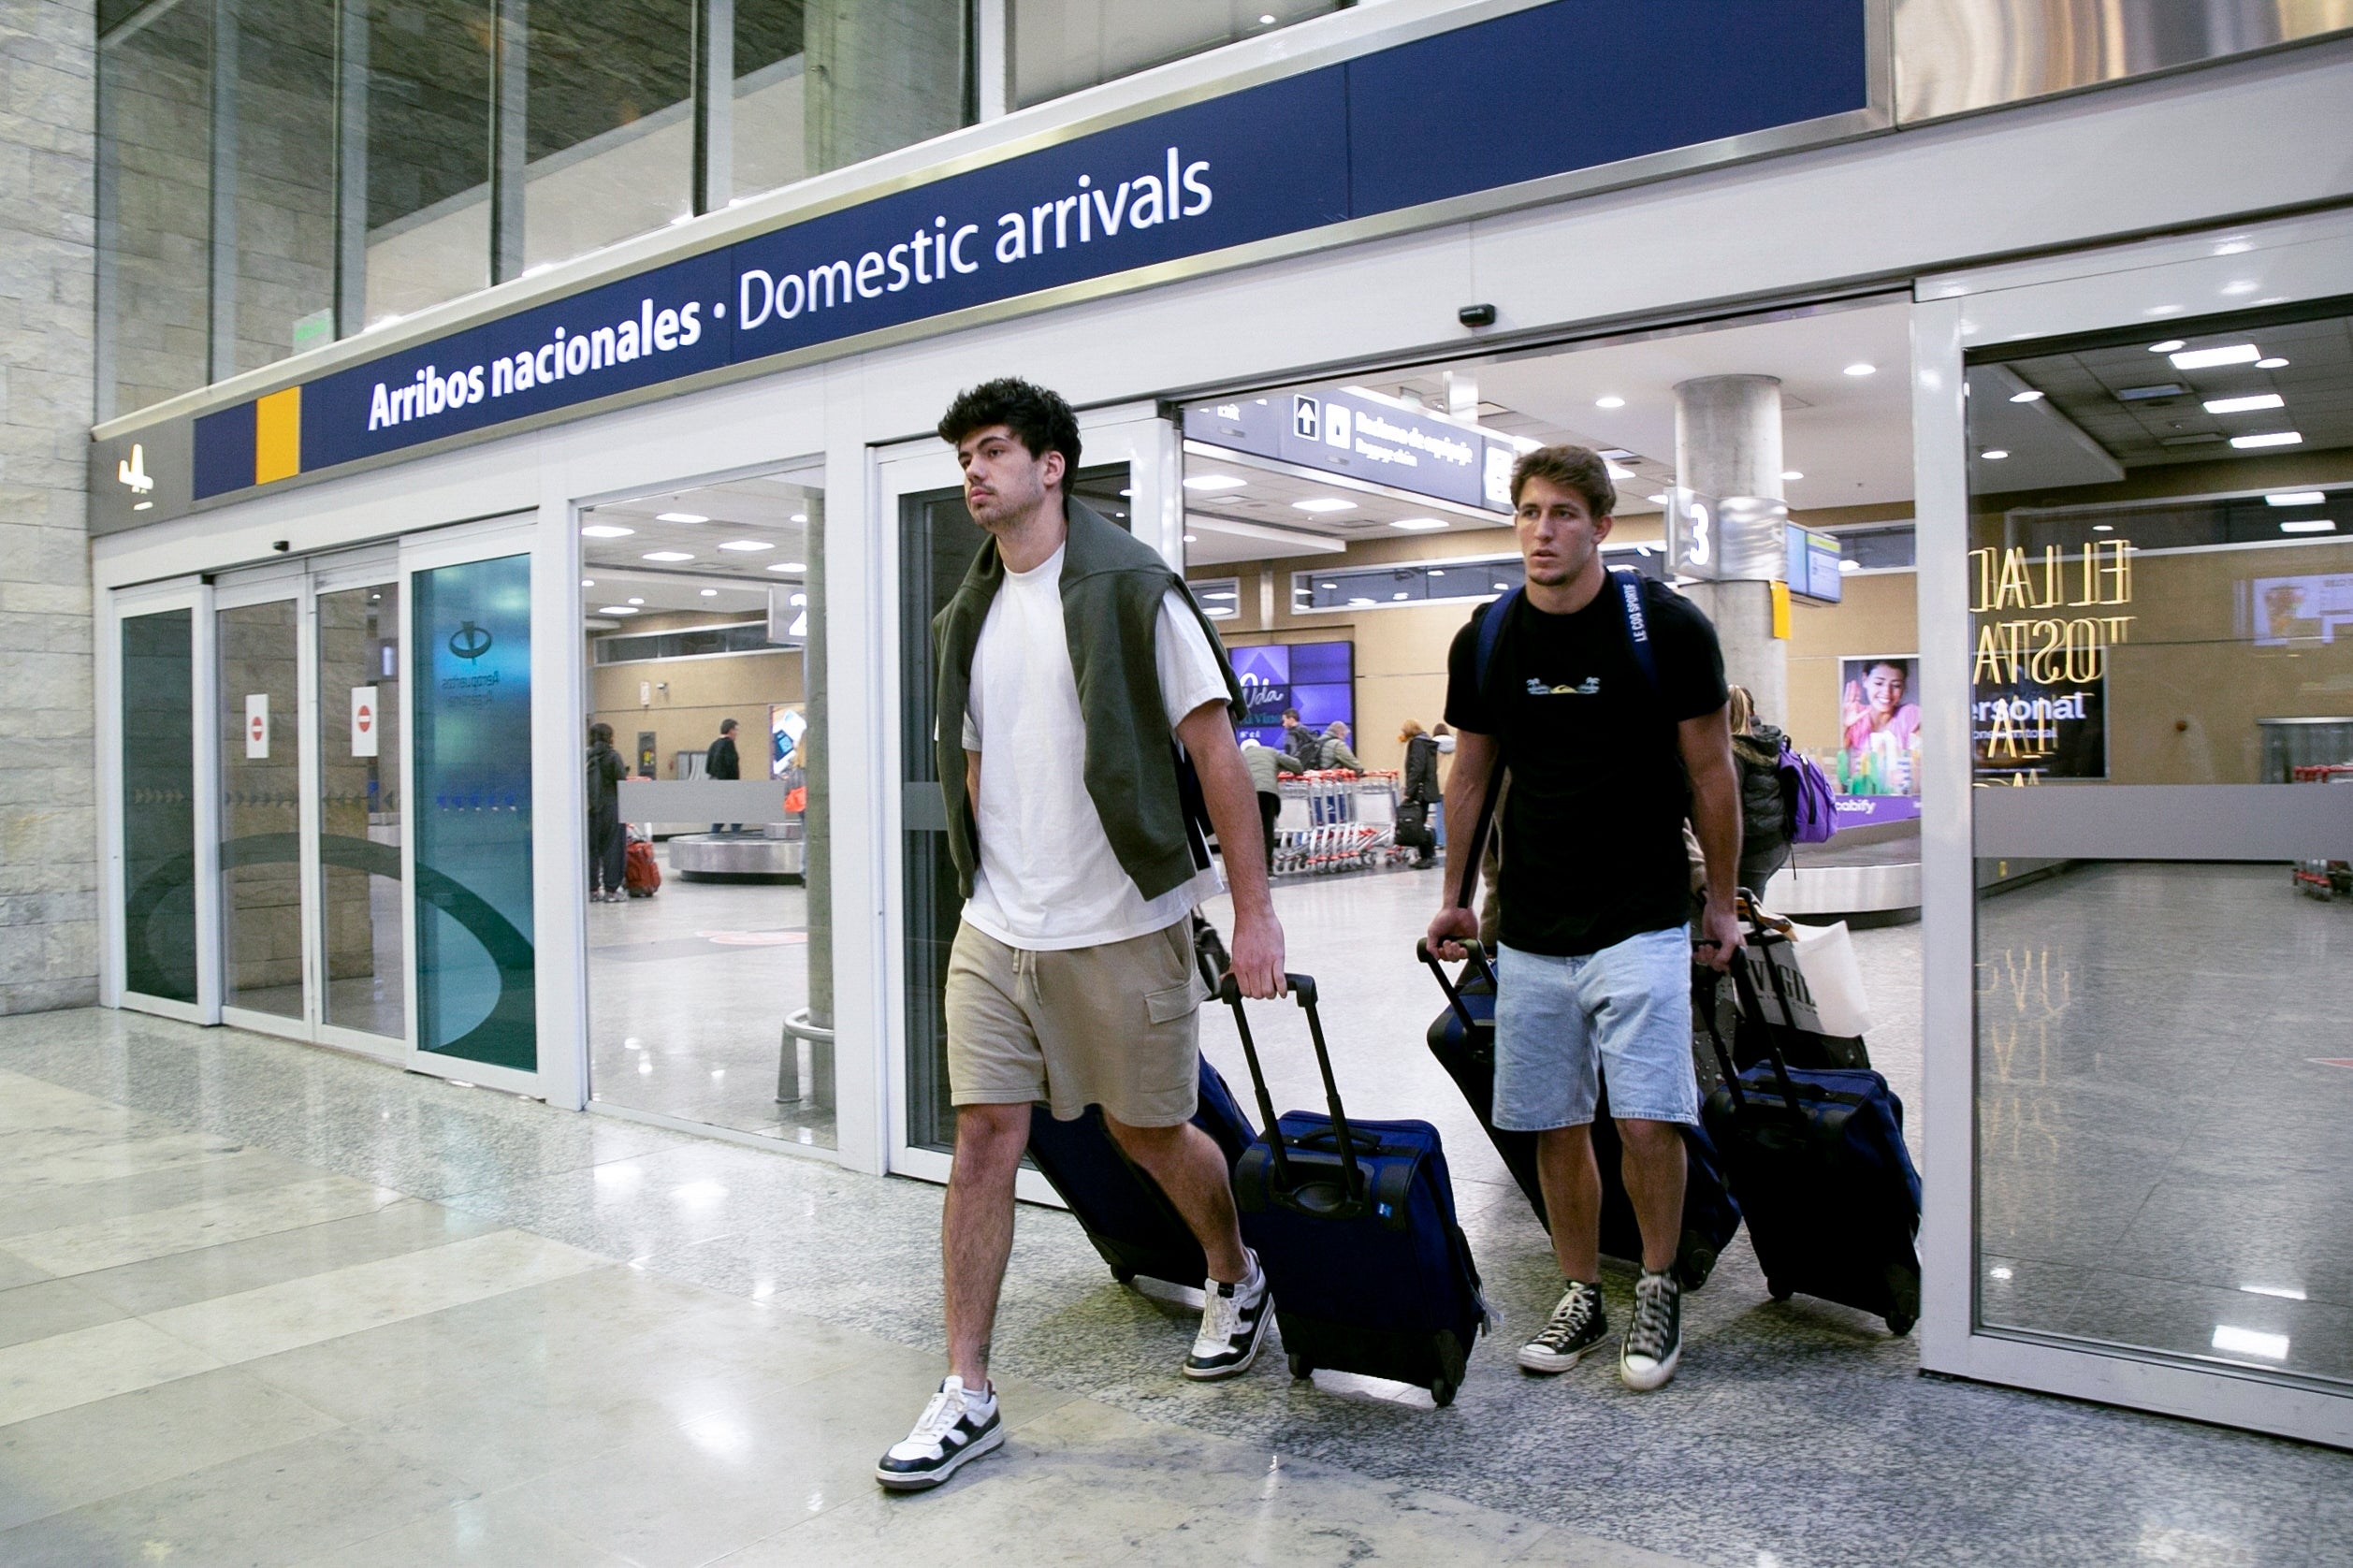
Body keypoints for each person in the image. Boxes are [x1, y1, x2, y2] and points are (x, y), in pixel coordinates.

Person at [877, 378, 1287, 1493]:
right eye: (965, 453)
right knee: (981, 1143)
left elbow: (1216, 757)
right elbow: (970, 758)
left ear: (1051, 465)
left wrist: (1252, 914)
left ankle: (1233, 1270)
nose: (974, 470)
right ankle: (968, 1387)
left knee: (1149, 1131)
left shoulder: (1132, 589)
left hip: (1122, 920)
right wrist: (983, 884)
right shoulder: (964, 614)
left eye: (995, 449)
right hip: (998, 925)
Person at [1427, 443, 1741, 1396]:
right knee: (1552, 1121)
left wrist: (1720, 902)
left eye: (1562, 513)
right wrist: (1453, 897)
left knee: (1648, 1117)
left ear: (1602, 525)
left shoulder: (1666, 629)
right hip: (1529, 923)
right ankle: (1578, 1288)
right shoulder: (1486, 637)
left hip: (1642, 913)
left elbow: (1712, 770)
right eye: (1527, 512)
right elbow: (1472, 773)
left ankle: (1653, 1282)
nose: (1541, 530)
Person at [1727, 686, 1792, 895]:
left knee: (1743, 917)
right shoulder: (1769, 742)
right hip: (1778, 843)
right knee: (1751, 912)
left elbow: (1727, 805)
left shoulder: (1735, 752)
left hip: (1753, 850)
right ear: (1752, 712)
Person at [1239, 734, 1297, 872]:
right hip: (1268, 793)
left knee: (1248, 830)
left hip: (1247, 795)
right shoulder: (1270, 751)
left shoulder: (1240, 756)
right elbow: (1296, 765)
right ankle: (1267, 866)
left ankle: (1249, 866)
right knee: (1267, 830)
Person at [1841, 660, 1920, 754]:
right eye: (1879, 683)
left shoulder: (1910, 715)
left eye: (1896, 685)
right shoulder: (1855, 717)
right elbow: (1834, 761)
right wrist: (1844, 726)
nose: (1887, 692)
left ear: (1903, 687)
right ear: (1865, 679)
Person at [586, 721, 627, 903]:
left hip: (589, 810)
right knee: (613, 849)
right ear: (609, 737)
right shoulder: (613, 757)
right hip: (611, 808)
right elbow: (622, 783)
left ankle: (591, 890)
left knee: (591, 850)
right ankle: (611, 891)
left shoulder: (585, 757)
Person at [1400, 719, 1441, 868]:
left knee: (1417, 824)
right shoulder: (1427, 742)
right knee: (1421, 822)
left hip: (1419, 791)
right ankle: (1428, 855)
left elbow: (1417, 768)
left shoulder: (1417, 743)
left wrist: (1408, 791)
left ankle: (1427, 856)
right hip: (1427, 789)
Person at [705, 718, 742, 832]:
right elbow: (731, 767)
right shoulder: (729, 744)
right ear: (730, 730)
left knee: (719, 818)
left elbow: (707, 767)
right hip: (728, 786)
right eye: (736, 730)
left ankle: (713, 840)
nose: (737, 733)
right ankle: (736, 842)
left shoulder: (714, 744)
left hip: (714, 785)